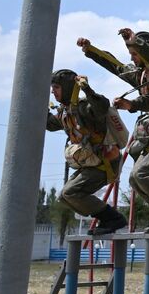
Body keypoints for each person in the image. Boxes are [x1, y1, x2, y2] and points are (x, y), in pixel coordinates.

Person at [78, 29, 149, 234]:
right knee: (135, 180)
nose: (132, 58)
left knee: (143, 173)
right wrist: (90, 50)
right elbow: (115, 66)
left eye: (135, 53)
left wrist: (135, 41)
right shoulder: (140, 75)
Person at [47, 69, 127, 235]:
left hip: (105, 162)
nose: (53, 91)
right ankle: (108, 218)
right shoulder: (65, 112)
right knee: (64, 195)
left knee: (71, 193)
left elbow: (102, 106)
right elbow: (49, 123)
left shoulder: (83, 108)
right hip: (91, 163)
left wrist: (87, 89)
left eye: (56, 87)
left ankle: (113, 219)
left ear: (68, 87)